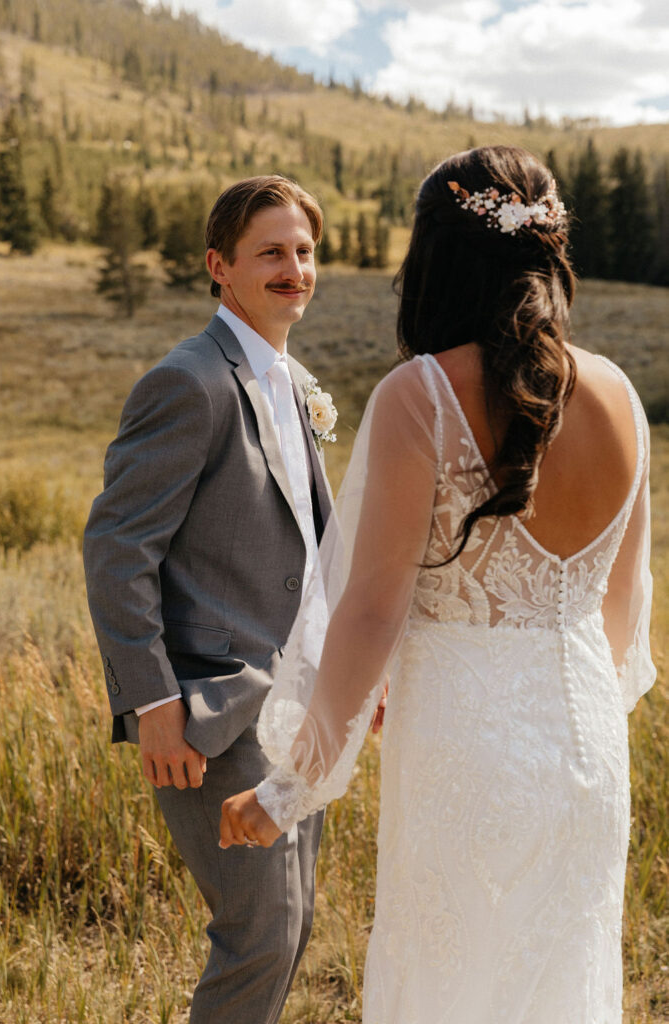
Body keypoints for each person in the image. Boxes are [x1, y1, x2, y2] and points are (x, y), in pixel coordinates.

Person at [220, 146, 656, 1023]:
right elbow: (626, 605)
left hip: (466, 752)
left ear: (437, 258)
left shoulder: (420, 394)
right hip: (589, 757)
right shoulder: (618, 393)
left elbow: (372, 611)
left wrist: (289, 787)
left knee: (450, 988)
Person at [83, 175, 356, 1024]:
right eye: (271, 252)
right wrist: (154, 702)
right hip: (212, 707)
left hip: (300, 700)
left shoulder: (291, 380)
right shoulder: (189, 382)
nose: (294, 268)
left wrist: (349, 672)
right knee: (262, 931)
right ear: (219, 266)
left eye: (304, 252)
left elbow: (310, 552)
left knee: (293, 920)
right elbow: (117, 548)